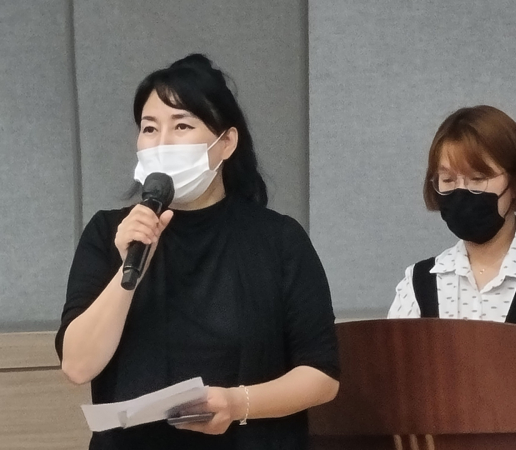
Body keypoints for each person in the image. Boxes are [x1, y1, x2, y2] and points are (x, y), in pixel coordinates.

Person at [55, 53, 339, 450]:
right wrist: (127, 273)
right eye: (149, 128)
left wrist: (237, 403)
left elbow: (321, 375)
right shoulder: (109, 233)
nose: (161, 143)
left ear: (227, 143)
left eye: (182, 125)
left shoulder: (279, 239)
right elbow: (77, 366)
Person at [388, 105, 516, 336]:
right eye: (448, 179)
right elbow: (396, 357)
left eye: (478, 178)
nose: (461, 192)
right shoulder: (418, 281)